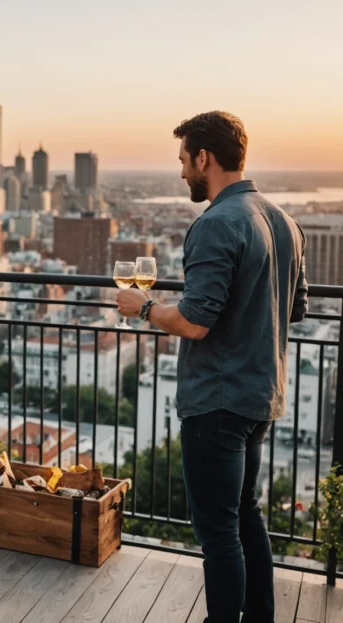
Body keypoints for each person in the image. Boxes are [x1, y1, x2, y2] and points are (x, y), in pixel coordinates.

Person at [117, 111, 307, 623]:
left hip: (217, 399)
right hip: (264, 391)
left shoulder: (217, 223)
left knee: (218, 531)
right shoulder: (284, 221)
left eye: (183, 160)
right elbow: (295, 307)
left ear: (205, 157)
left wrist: (145, 309)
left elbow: (195, 323)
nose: (181, 172)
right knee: (246, 516)